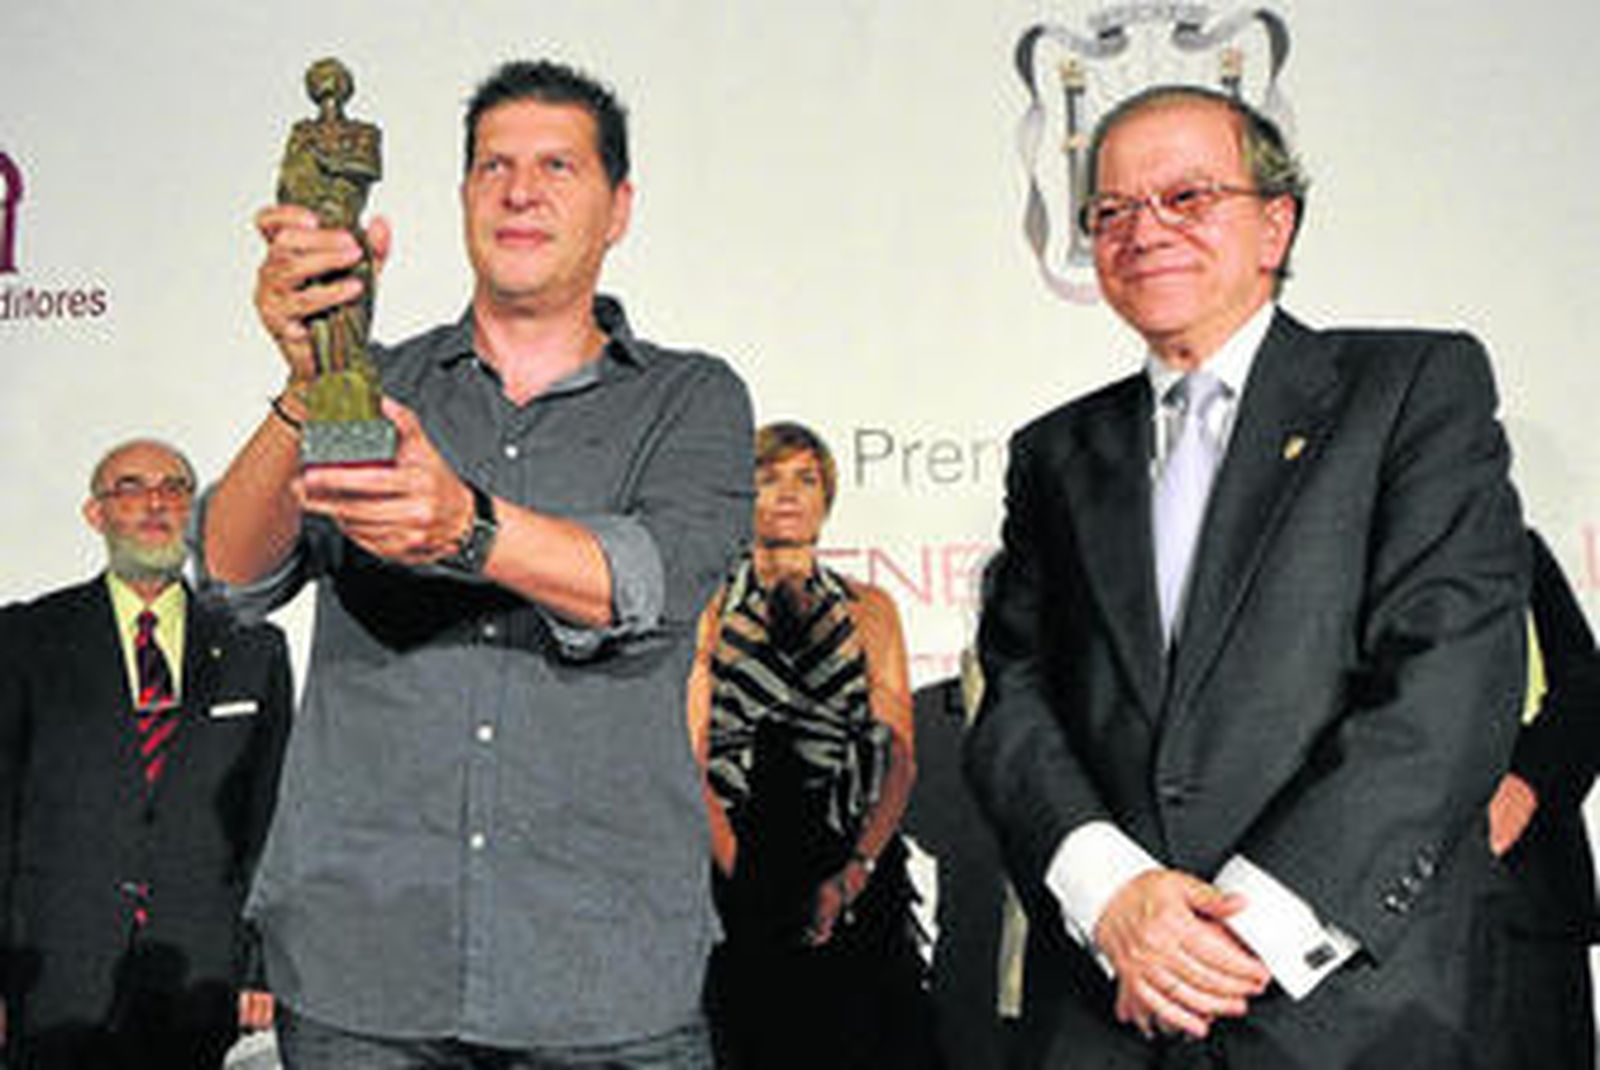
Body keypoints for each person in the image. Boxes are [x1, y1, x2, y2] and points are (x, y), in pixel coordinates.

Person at [200, 59, 752, 1067]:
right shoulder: (375, 384)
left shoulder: (690, 397)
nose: (519, 191)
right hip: (364, 970)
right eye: (494, 165)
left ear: (619, 208)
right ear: (462, 196)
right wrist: (306, 380)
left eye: (556, 166)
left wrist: (469, 526)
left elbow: (650, 581)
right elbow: (234, 576)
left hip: (603, 972)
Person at [963, 84, 1528, 1067]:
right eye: (1112, 209)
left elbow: (1448, 681)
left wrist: (1249, 929)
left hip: (1345, 1008)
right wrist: (1111, 894)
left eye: (1187, 197)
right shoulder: (1053, 452)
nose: (1145, 231)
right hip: (1111, 999)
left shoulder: (1410, 390)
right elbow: (1016, 698)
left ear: (1275, 224)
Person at [0, 438, 290, 1068]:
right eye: (130, 488)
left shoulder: (254, 648)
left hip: (200, 974)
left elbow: (272, 820)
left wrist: (263, 964)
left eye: (175, 488)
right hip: (52, 968)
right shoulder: (24, 636)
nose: (156, 503)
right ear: (96, 514)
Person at [689, 422, 939, 1070]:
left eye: (805, 479)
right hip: (731, 862)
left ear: (827, 498)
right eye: (768, 478)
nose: (788, 494)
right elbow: (689, 752)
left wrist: (854, 872)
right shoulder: (706, 608)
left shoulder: (870, 609)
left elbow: (898, 756)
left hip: (849, 859)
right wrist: (743, 876)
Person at [1482, 528, 1600, 1069]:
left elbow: (1587, 692)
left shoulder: (1510, 545)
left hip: (1528, 904)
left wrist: (1526, 783)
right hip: (1374, 925)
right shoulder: (1325, 553)